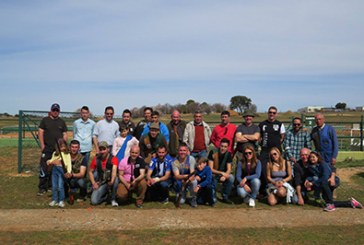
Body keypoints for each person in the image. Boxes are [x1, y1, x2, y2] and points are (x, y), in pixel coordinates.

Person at [37, 103, 68, 196]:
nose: (55, 112)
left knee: (54, 168)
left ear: (59, 111)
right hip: (47, 148)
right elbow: (40, 132)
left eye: (57, 110)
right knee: (44, 167)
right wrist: (42, 145)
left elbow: (65, 134)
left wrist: (63, 145)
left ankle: (50, 185)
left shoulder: (61, 122)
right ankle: (42, 187)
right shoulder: (45, 120)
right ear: (51, 111)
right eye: (53, 110)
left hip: (57, 150)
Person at [259, 106, 286, 194]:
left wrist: (276, 145)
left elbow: (282, 137)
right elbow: (259, 137)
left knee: (276, 170)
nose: (272, 114)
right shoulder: (262, 124)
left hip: (276, 152)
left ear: (276, 114)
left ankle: (277, 189)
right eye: (270, 112)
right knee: (263, 170)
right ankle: (264, 189)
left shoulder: (280, 124)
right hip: (265, 151)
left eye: (274, 113)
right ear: (268, 113)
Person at [88, 141, 119, 207]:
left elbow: (114, 171)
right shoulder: (96, 159)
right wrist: (94, 183)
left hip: (111, 181)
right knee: (94, 201)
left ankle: (113, 199)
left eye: (104, 149)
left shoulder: (114, 158)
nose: (102, 151)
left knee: (116, 179)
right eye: (100, 149)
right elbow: (90, 171)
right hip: (102, 182)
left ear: (108, 149)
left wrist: (112, 181)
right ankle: (106, 198)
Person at [207, 138, 234, 204]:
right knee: (213, 180)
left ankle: (225, 197)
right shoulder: (213, 152)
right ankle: (213, 197)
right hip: (214, 174)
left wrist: (225, 175)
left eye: (225, 147)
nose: (223, 148)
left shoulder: (228, 154)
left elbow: (229, 169)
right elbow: (210, 169)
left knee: (231, 178)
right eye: (222, 146)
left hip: (222, 174)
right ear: (219, 145)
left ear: (227, 147)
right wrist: (222, 173)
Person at [47, 138, 72, 208]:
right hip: (55, 170)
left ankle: (61, 200)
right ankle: (54, 199)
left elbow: (69, 164)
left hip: (62, 170)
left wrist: (68, 172)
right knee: (54, 186)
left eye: (64, 146)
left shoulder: (67, 154)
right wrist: (50, 162)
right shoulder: (55, 154)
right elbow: (51, 161)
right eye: (61, 147)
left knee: (60, 186)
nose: (63, 148)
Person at [172, 143, 198, 207]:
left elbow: (192, 174)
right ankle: (183, 193)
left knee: (194, 181)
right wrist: (184, 177)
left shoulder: (191, 159)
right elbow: (177, 175)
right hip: (179, 181)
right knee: (181, 201)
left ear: (187, 151)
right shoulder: (175, 161)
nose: (182, 152)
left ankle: (193, 198)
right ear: (178, 151)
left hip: (189, 179)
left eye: (184, 150)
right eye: (180, 150)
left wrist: (187, 180)